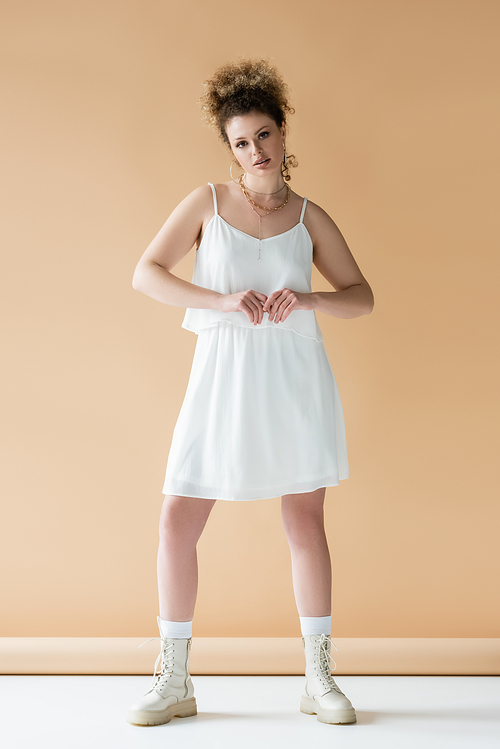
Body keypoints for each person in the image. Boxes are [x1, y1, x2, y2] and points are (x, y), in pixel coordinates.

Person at [127, 57, 374, 728]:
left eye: (264, 135)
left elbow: (363, 298)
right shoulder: (206, 203)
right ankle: (174, 677)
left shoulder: (308, 216)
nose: (255, 151)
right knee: (178, 517)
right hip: (222, 377)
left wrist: (312, 298)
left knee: (304, 522)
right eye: (241, 141)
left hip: (294, 380)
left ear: (283, 134)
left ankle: (319, 676)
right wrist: (222, 299)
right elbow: (146, 274)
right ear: (229, 148)